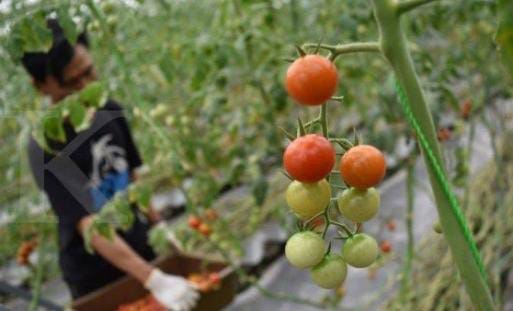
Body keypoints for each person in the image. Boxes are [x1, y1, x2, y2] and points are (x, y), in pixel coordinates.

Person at [22, 19, 199, 311]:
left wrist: (161, 229)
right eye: (71, 82)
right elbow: (88, 223)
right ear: (40, 85)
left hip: (141, 247)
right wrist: (153, 279)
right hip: (96, 273)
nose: (86, 87)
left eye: (89, 72)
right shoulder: (46, 145)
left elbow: (132, 178)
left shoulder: (110, 109)